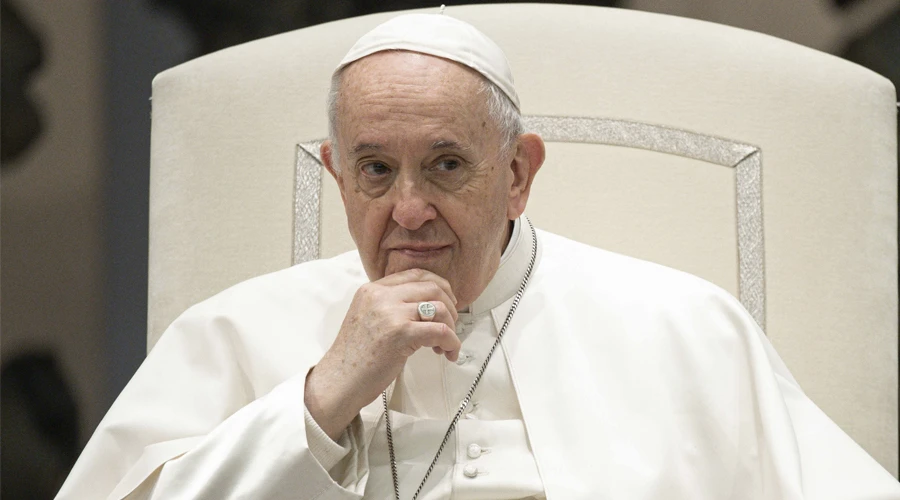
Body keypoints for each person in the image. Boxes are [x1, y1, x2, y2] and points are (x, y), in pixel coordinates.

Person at [57, 13, 900, 500]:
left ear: (520, 173)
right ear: (335, 174)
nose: (409, 209)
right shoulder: (239, 330)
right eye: (376, 170)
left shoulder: (682, 327)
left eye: (448, 165)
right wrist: (318, 403)